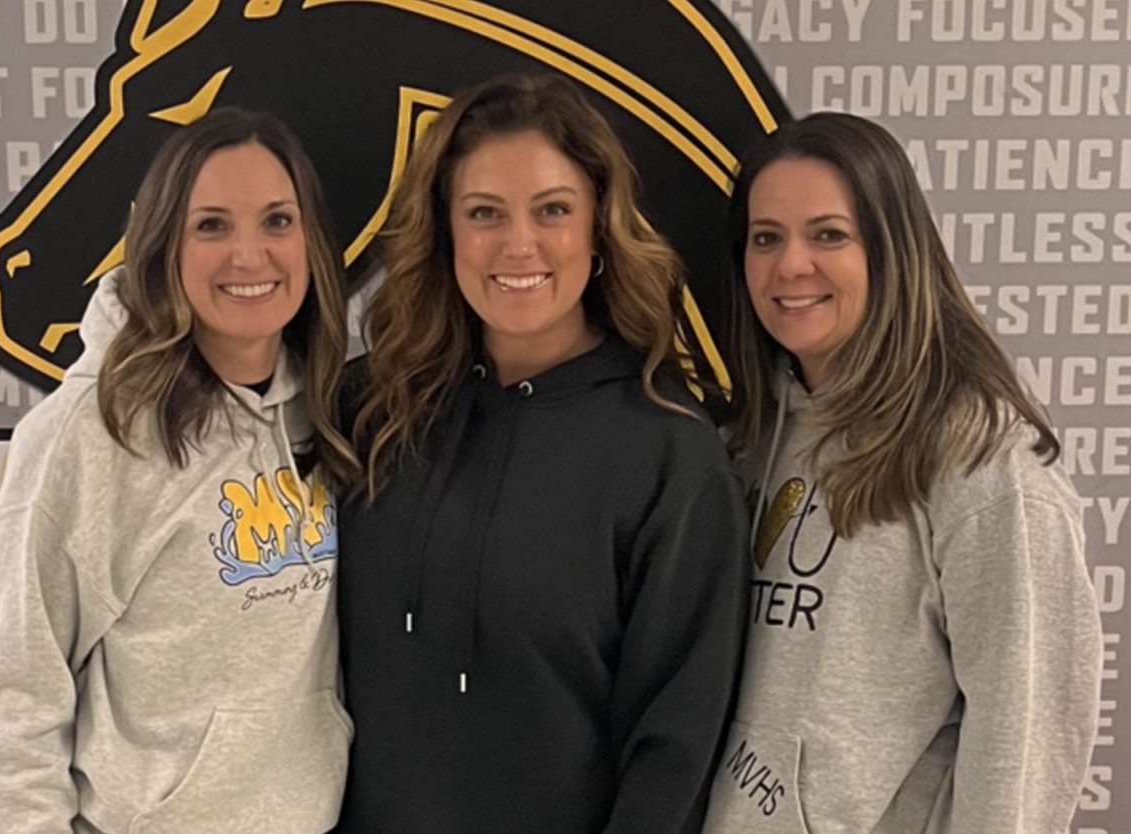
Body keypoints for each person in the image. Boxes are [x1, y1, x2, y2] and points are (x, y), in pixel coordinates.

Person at [335, 72, 752, 834]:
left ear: (597, 227)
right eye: (484, 213)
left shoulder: (668, 454)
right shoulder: (368, 410)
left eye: (553, 210)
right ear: (445, 231)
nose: (518, 245)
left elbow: (674, 751)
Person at [704, 111, 1103, 833]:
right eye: (767, 238)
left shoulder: (979, 459)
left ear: (891, 249)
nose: (791, 266)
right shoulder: (745, 442)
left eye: (829, 234)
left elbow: (1025, 736)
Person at [0, 108, 358, 833]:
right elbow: (14, 714)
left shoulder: (325, 413)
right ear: (162, 241)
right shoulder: (88, 435)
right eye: (212, 225)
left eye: (277, 221)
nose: (250, 255)